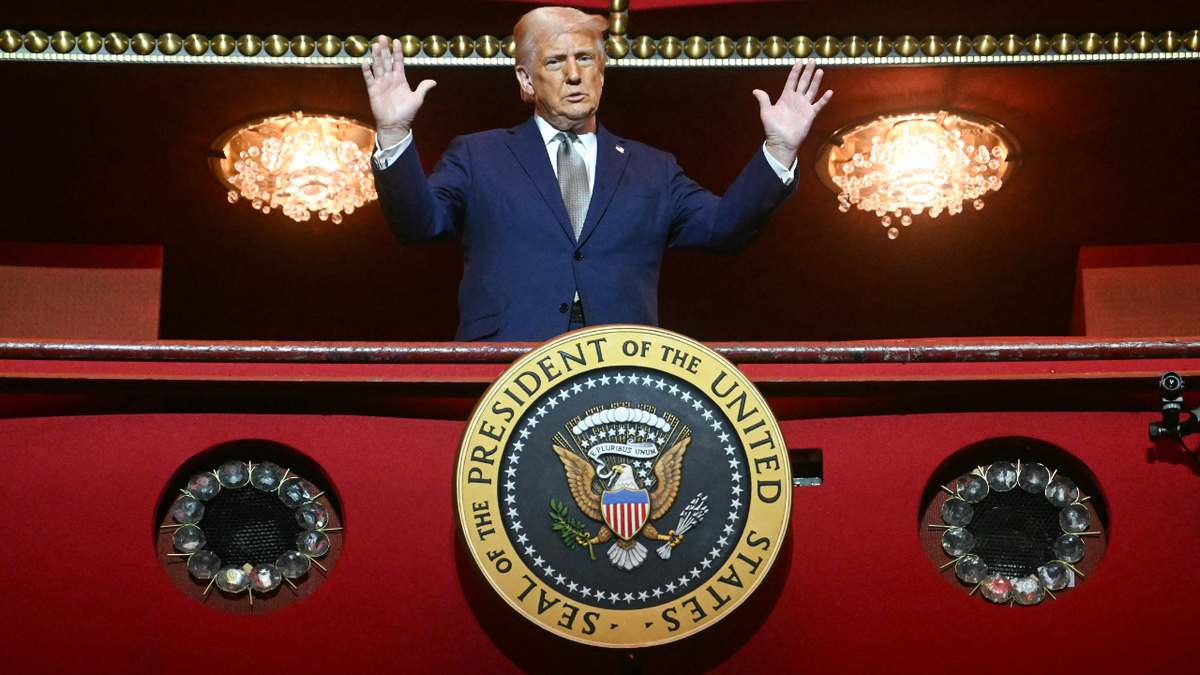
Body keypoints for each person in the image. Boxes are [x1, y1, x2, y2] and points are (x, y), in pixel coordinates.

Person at [362, 7, 831, 341]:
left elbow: (725, 228)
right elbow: (418, 226)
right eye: (554, 61)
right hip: (507, 365)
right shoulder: (478, 154)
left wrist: (780, 148)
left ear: (602, 72)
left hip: (622, 368)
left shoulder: (652, 167)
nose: (573, 75)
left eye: (585, 59)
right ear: (526, 80)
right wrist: (393, 131)